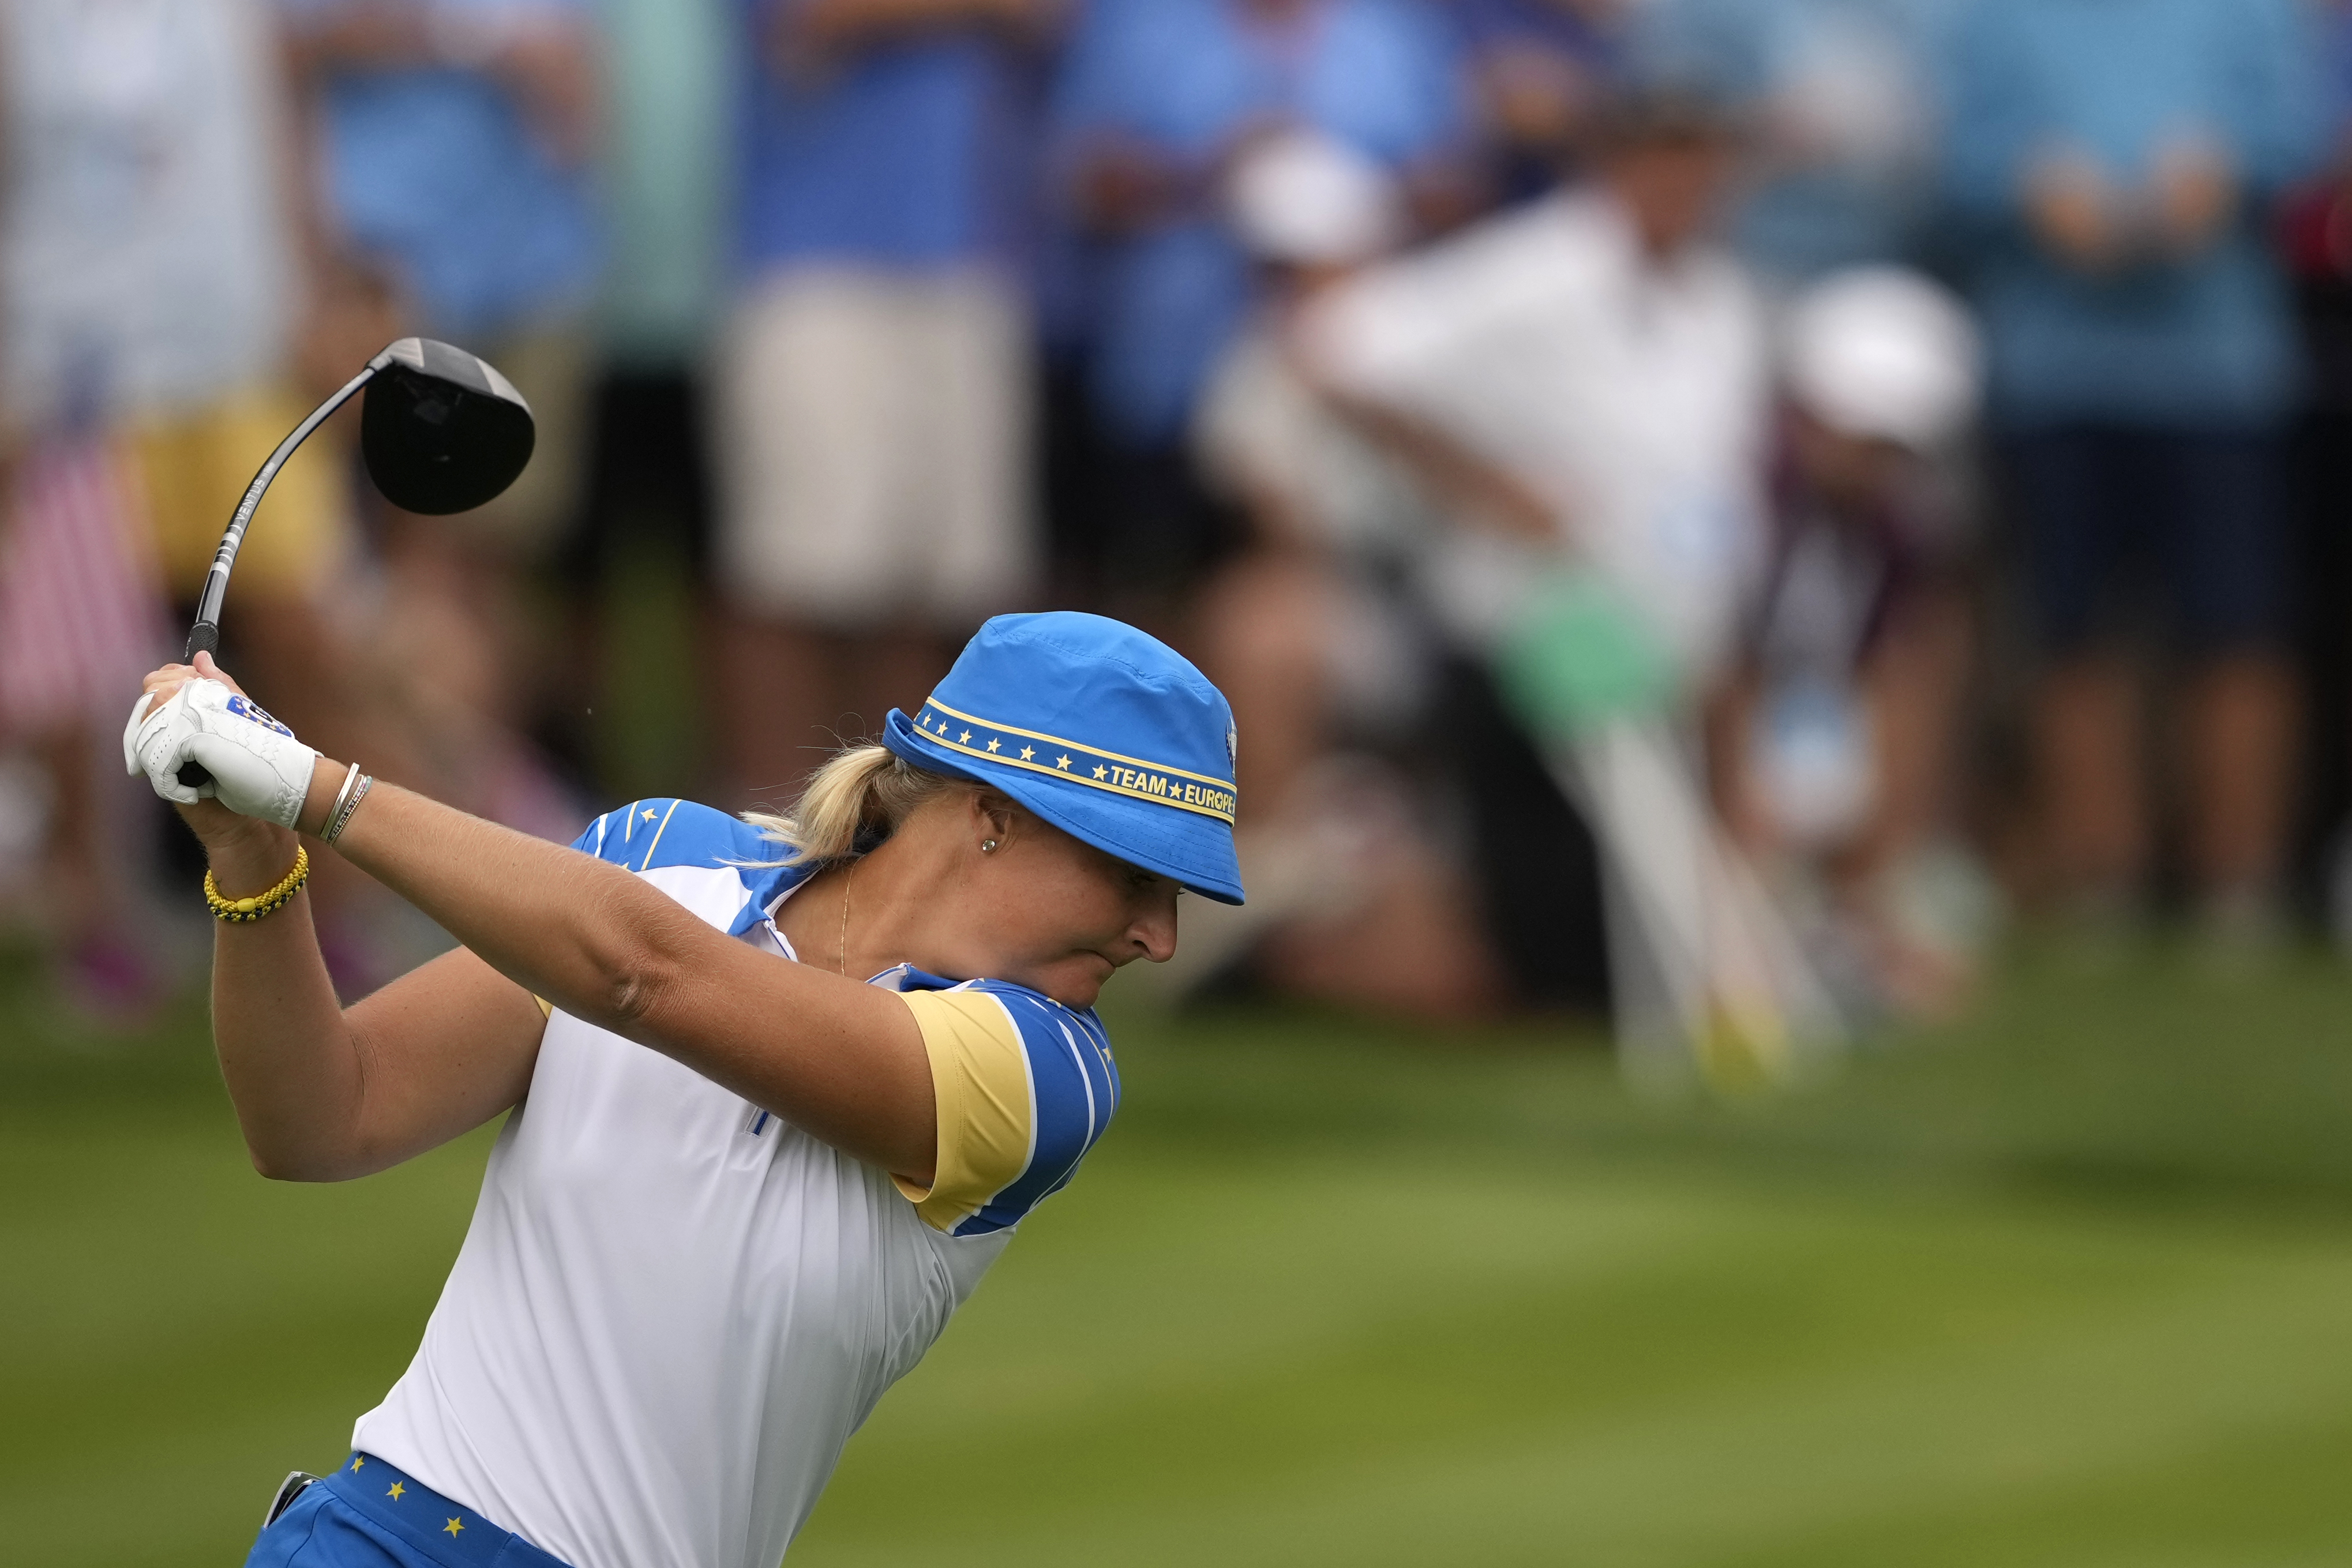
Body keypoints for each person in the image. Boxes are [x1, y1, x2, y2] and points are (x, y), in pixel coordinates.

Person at [122, 610, 1242, 1568]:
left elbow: (644, 975)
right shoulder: (660, 856)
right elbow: (325, 1114)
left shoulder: (1049, 1074)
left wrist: (318, 786)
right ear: (993, 816)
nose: (1158, 934)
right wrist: (252, 857)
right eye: (1135, 873)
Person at [1941, 0, 2324, 947]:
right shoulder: (1993, 19)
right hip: (2053, 371)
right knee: (2072, 632)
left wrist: (2225, 169)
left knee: (2236, 628)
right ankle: (2097, 879)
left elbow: (2302, 135)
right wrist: (2026, 186)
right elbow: (1954, 157)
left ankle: (2239, 881)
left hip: (2217, 374)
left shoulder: (2256, 12)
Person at [715, 0, 1061, 811]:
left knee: (927, 588)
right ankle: (768, 839)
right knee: (790, 580)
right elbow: (810, 23)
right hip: (809, 264)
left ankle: (885, 839)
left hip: (969, 254)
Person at [1046, 0, 1469, 610]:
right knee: (1155, 596)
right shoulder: (1142, 25)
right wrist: (1208, 170)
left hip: (1349, 375)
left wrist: (1351, 198)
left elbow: (1459, 187)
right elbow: (1078, 184)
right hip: (1167, 373)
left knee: (1310, 585)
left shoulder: (1393, 33)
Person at [1712, 265, 1987, 1017]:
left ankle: (1854, 919)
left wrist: (1884, 860)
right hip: (1705, 738)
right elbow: (1715, 666)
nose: (1874, 460)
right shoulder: (1730, 492)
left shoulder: (1899, 522)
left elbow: (1899, 671)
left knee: (1872, 730)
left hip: (1801, 728)